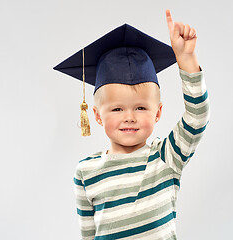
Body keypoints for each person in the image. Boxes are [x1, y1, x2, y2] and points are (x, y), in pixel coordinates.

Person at [54, 9, 210, 240]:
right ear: (97, 116)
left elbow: (197, 117)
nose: (129, 117)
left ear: (158, 113)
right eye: (117, 109)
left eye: (141, 108)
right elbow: (87, 235)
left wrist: (186, 59)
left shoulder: (167, 156)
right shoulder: (86, 172)